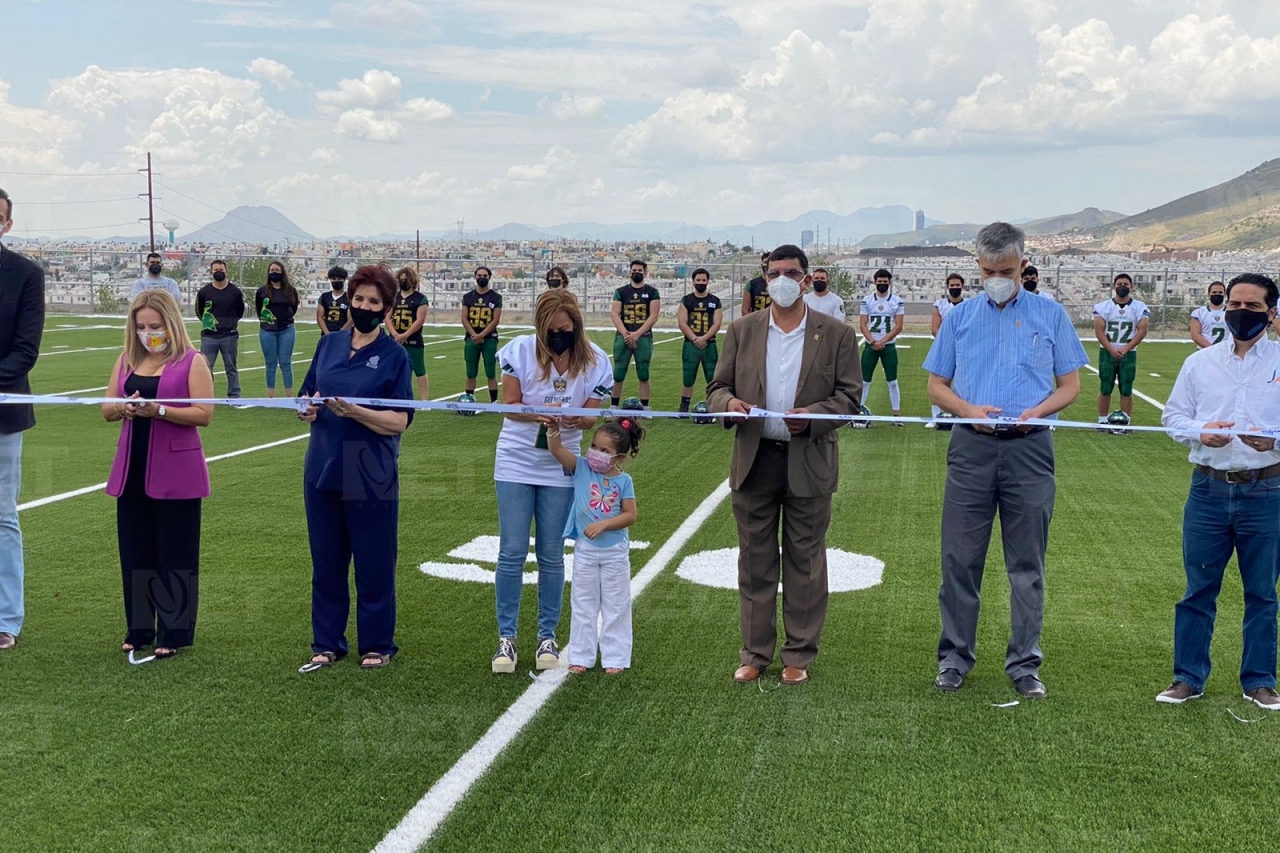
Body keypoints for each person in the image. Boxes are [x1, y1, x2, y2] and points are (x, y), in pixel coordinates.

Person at [923, 222, 1087, 699]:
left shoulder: (1050, 315)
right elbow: (936, 385)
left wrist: (1037, 412)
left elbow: (1070, 386)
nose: (998, 278)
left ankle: (1024, 665)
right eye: (990, 270)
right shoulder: (959, 318)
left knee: (1027, 564)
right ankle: (954, 659)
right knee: (959, 559)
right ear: (977, 266)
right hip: (970, 448)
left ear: (1023, 265)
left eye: (1008, 270)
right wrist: (968, 411)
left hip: (1030, 449)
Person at [706, 244, 861, 685]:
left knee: (805, 562)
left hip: (808, 461)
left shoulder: (836, 333)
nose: (782, 280)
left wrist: (812, 418)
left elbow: (850, 398)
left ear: (807, 280)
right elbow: (717, 387)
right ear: (764, 277)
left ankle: (798, 655)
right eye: (774, 272)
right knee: (754, 562)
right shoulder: (742, 330)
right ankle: (755, 653)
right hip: (755, 460)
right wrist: (729, 403)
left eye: (791, 273)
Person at [1159, 274, 1280, 710]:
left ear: (1270, 312)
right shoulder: (1201, 363)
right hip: (1208, 490)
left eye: (1252, 306)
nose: (1240, 313)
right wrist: (1200, 432)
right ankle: (1187, 677)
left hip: (1267, 490)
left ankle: (1260, 680)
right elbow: (1173, 418)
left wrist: (1275, 442)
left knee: (1263, 591)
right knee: (1198, 588)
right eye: (1234, 303)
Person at [296, 265, 414, 672]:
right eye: (359, 299)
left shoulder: (394, 356)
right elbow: (305, 394)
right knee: (326, 561)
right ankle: (326, 643)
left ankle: (377, 644)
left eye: (374, 302)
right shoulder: (327, 345)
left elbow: (400, 420)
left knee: (374, 561)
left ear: (386, 309)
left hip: (370, 471)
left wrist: (357, 412)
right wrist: (306, 408)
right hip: (322, 467)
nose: (364, 306)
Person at [491, 288, 612, 674]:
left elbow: (592, 416)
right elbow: (509, 407)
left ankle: (547, 635)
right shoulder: (519, 351)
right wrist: (538, 414)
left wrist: (576, 419)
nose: (560, 336)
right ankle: (506, 639)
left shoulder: (596, 361)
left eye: (566, 329)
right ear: (540, 328)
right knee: (511, 550)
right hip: (516, 459)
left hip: (562, 463)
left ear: (576, 326)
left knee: (552, 552)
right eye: (553, 330)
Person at [102, 290, 213, 659]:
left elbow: (204, 414)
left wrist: (160, 410)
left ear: (171, 323)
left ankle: (175, 631)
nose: (149, 333)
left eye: (155, 325)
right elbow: (106, 407)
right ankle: (139, 628)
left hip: (176, 469)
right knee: (135, 550)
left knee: (175, 551)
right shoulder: (126, 360)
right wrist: (125, 408)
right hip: (132, 466)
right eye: (141, 327)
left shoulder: (191, 362)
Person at [544, 417, 643, 674]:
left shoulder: (624, 482)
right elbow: (557, 450)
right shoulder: (582, 468)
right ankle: (581, 656)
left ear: (619, 457)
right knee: (583, 603)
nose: (596, 454)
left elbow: (630, 515)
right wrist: (553, 430)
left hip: (614, 552)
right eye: (595, 447)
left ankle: (616, 657)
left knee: (616, 604)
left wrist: (605, 524)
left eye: (605, 451)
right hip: (586, 551)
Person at [0, 188, 45, 652]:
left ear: (7, 224)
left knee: (1, 516)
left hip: (3, 414)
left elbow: (25, 351)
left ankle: (5, 618)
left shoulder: (26, 275)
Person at [1093, 273, 1150, 428]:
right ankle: (1102, 420)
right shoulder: (1103, 307)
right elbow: (1099, 331)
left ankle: (1125, 420)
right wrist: (1111, 349)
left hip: (1129, 353)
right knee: (1105, 386)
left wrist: (1125, 348)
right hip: (1106, 352)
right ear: (1114, 286)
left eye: (1126, 284)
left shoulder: (1140, 307)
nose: (1122, 286)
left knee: (1126, 387)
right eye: (1119, 284)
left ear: (1131, 287)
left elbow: (1142, 330)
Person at [610, 260, 661, 407]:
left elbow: (653, 316)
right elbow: (614, 314)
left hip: (643, 337)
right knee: (618, 374)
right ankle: (614, 406)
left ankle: (645, 407)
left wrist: (636, 334)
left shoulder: (652, 292)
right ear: (629, 272)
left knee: (643, 373)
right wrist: (626, 334)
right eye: (634, 270)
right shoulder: (620, 292)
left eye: (639, 270)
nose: (636, 273)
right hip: (623, 336)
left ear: (645, 273)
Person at [859, 268, 906, 425]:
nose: (882, 285)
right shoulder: (867, 300)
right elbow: (863, 324)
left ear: (890, 283)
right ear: (874, 282)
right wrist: (873, 342)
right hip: (870, 346)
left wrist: (883, 341)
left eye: (885, 282)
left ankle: (896, 415)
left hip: (888, 346)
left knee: (892, 381)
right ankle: (859, 410)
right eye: (879, 282)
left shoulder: (896, 301)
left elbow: (898, 326)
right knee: (864, 381)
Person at [195, 259, 245, 399]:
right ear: (211, 273)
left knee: (231, 368)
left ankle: (234, 395)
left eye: (221, 270)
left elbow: (239, 311)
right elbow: (199, 312)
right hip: (209, 337)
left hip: (229, 336)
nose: (219, 272)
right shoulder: (204, 292)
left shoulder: (235, 292)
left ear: (226, 271)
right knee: (206, 369)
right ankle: (206, 396)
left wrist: (230, 324)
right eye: (216, 270)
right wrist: (209, 325)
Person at [677, 268, 723, 413]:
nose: (701, 283)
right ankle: (684, 408)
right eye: (698, 280)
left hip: (709, 344)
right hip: (691, 345)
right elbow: (682, 322)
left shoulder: (715, 301)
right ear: (693, 281)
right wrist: (695, 338)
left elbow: (717, 323)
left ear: (708, 281)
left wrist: (704, 338)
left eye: (703, 280)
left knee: (712, 378)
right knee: (688, 377)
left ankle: (714, 407)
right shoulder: (687, 300)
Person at [255, 260, 300, 399]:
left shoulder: (290, 290)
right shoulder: (262, 291)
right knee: (270, 364)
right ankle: (270, 397)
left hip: (286, 330)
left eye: (277, 270)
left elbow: (293, 309)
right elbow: (259, 310)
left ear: (282, 272)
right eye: (272, 270)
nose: (274, 272)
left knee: (286, 362)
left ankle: (288, 396)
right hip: (267, 331)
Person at [927, 273, 966, 427]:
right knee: (938, 383)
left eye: (957, 286)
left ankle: (961, 414)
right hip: (943, 348)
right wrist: (948, 344)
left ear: (962, 286)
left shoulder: (968, 305)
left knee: (962, 382)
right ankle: (935, 416)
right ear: (947, 286)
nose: (955, 288)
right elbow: (935, 329)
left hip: (963, 349)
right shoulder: (939, 305)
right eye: (952, 286)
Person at [462, 266, 503, 402]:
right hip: (471, 338)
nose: (482, 278)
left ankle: (494, 401)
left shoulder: (496, 297)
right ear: (475, 277)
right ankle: (469, 400)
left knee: (491, 371)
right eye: (479, 275)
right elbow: (464, 318)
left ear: (489, 277)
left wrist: (482, 335)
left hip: (489, 339)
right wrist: (474, 334)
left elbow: (495, 320)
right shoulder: (468, 297)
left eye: (484, 275)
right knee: (470, 372)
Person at [388, 266, 430, 401]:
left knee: (419, 369)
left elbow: (420, 320)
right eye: (401, 280)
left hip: (413, 339)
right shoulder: (394, 297)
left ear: (412, 281)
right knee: (393, 369)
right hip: (395, 339)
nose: (403, 282)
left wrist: (405, 335)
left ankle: (424, 399)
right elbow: (387, 317)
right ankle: (395, 396)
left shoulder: (420, 298)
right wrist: (394, 333)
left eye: (406, 280)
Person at [1190, 281, 1227, 348]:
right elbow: (1195, 336)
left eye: (1220, 292)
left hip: (1225, 353)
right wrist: (1211, 349)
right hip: (1205, 352)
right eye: (1214, 292)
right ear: (1209, 294)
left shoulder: (1231, 313)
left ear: (1224, 294)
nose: (1217, 294)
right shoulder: (1198, 313)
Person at [317, 266, 351, 335]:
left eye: (339, 278)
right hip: (327, 334)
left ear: (344, 280)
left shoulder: (349, 298)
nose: (336, 281)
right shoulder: (324, 297)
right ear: (330, 279)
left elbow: (351, 320)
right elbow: (319, 317)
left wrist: (340, 333)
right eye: (334, 278)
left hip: (343, 335)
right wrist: (327, 333)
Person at [741, 251, 771, 316]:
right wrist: (752, 323)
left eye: (769, 262)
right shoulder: (751, 284)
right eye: (765, 262)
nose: (767, 265)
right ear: (761, 265)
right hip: (757, 321)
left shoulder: (780, 284)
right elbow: (745, 310)